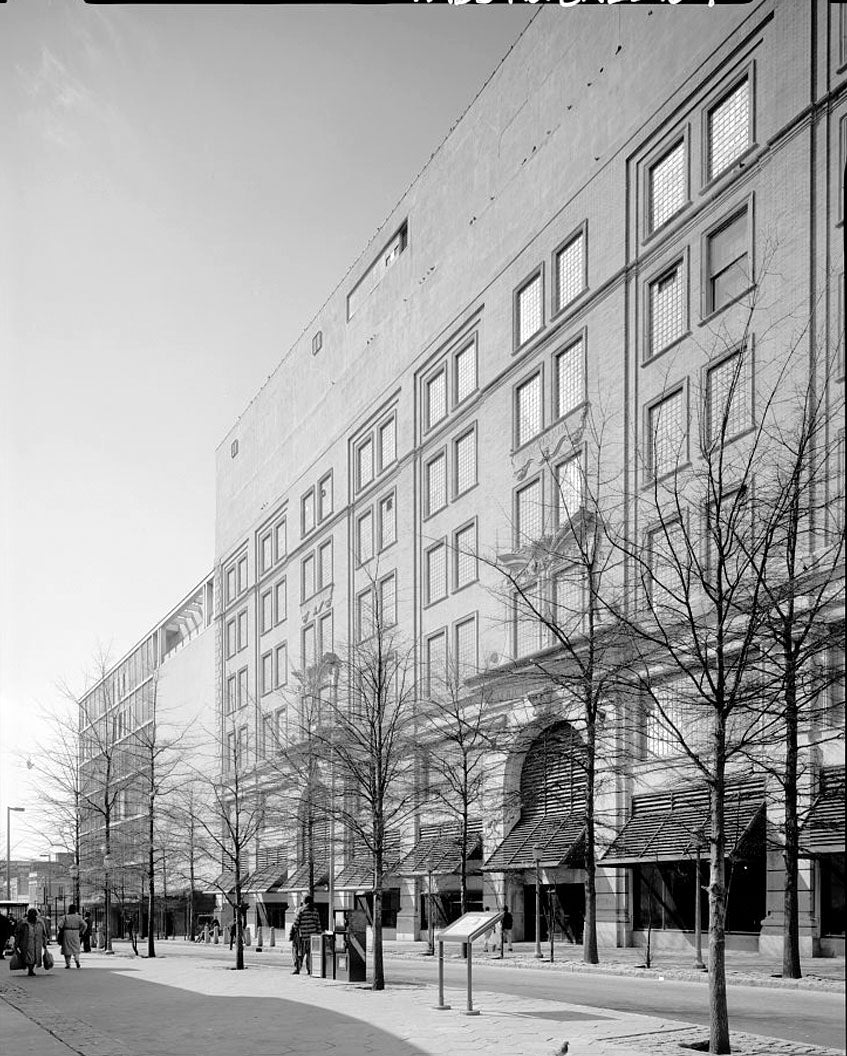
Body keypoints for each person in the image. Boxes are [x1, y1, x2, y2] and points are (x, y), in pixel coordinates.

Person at [291, 895, 322, 975]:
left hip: (302, 937)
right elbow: (318, 924)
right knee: (310, 954)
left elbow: (296, 924)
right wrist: (319, 934)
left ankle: (297, 969)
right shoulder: (315, 911)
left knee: (299, 954)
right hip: (313, 937)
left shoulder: (301, 910)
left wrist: (293, 932)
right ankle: (310, 970)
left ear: (304, 901)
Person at [13, 907, 48, 976]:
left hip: (37, 942)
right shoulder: (23, 922)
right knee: (28, 956)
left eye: (33, 914)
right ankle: (30, 969)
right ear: (28, 914)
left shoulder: (40, 922)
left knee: (36, 956)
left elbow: (44, 933)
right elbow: (18, 933)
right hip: (26, 942)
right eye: (30, 914)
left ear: (36, 915)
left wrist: (45, 942)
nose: (32, 915)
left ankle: (31, 968)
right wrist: (17, 943)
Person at [57, 904, 86, 969]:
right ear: (75, 910)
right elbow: (84, 925)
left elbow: (59, 926)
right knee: (76, 948)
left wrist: (61, 932)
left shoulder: (65, 917)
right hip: (76, 932)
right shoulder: (79, 917)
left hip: (67, 932)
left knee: (67, 949)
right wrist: (81, 932)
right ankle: (77, 960)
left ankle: (68, 964)